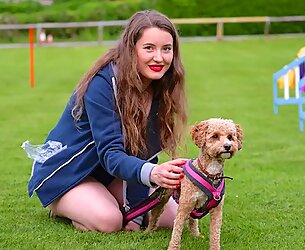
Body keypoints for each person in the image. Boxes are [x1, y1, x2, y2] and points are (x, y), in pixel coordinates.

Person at [26, 10, 188, 233]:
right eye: (149, 48)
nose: (159, 58)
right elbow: (111, 153)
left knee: (169, 217)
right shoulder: (103, 84)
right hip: (71, 171)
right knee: (109, 221)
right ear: (131, 49)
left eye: (166, 49)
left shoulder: (162, 84)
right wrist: (152, 173)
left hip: (110, 172)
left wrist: (135, 216)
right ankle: (61, 204)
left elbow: (143, 153)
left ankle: (104, 198)